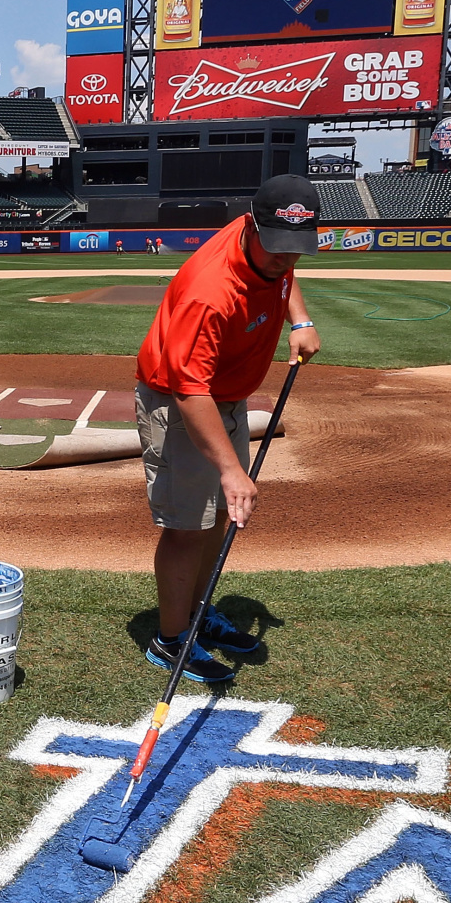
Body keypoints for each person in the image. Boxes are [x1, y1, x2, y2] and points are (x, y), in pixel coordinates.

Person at [132, 174, 323, 686]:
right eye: (278, 248)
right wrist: (232, 468)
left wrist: (299, 321)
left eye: (295, 249)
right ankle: (170, 640)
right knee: (187, 525)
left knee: (215, 516)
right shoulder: (209, 292)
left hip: (227, 398)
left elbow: (282, 275)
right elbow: (187, 390)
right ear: (254, 228)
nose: (286, 259)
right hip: (184, 406)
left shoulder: (267, 241)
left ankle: (199, 615)